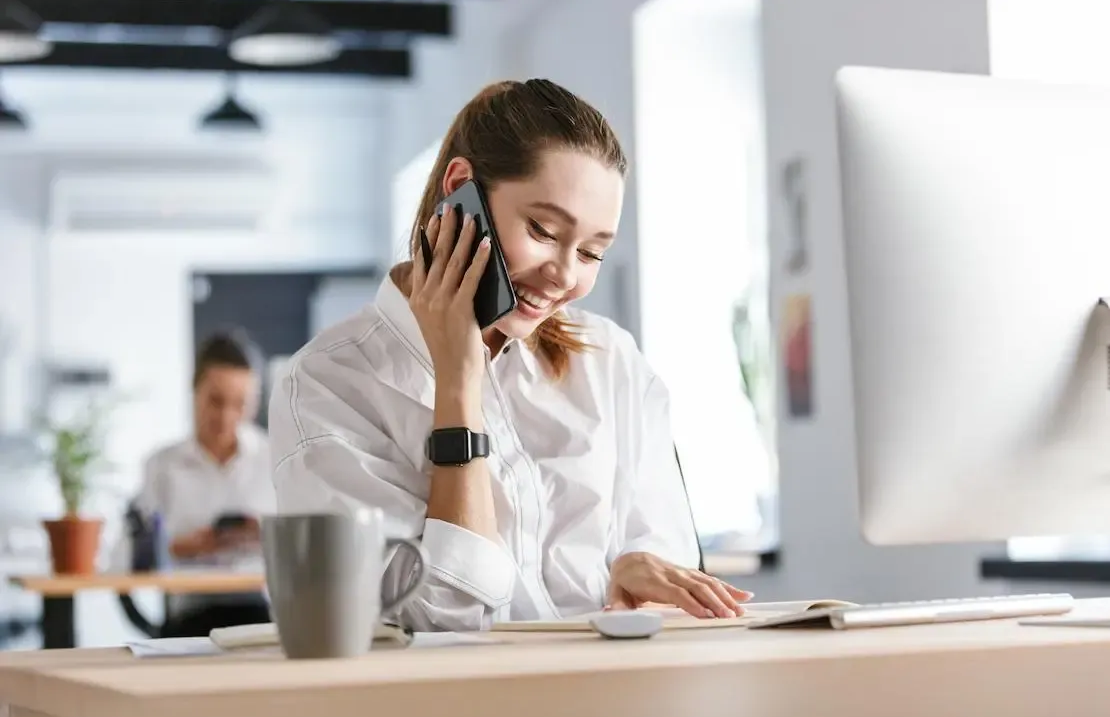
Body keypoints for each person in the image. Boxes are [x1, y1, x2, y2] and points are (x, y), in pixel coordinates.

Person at [269, 78, 753, 632]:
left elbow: (674, 583)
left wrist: (640, 568)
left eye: (593, 251)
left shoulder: (610, 360)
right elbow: (438, 620)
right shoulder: (328, 384)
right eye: (544, 230)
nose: (566, 275)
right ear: (461, 191)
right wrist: (457, 386)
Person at [133, 331, 273, 636]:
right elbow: (127, 556)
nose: (227, 416)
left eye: (240, 404)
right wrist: (176, 548)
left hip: (263, 612)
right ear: (194, 391)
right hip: (190, 615)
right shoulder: (162, 466)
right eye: (216, 401)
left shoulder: (275, 459)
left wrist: (266, 535)